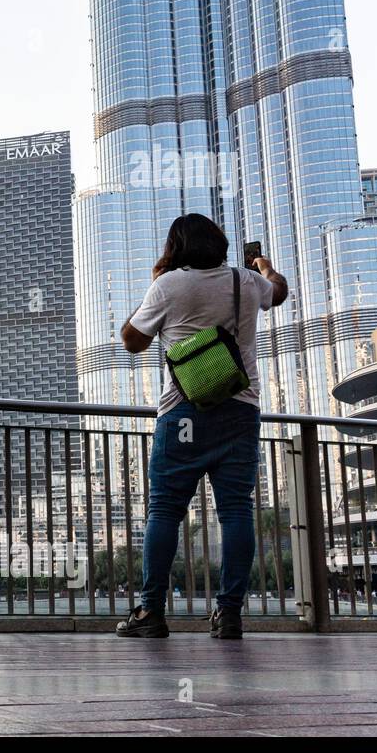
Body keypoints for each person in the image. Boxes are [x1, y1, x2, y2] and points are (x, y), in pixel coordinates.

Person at [116, 214, 288, 641]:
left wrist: (158, 282)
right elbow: (279, 293)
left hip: (183, 415)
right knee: (235, 511)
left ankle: (151, 613)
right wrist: (262, 265)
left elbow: (131, 340)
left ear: (176, 248)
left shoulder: (169, 285)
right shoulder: (246, 282)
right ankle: (228, 614)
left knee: (165, 512)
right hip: (239, 411)